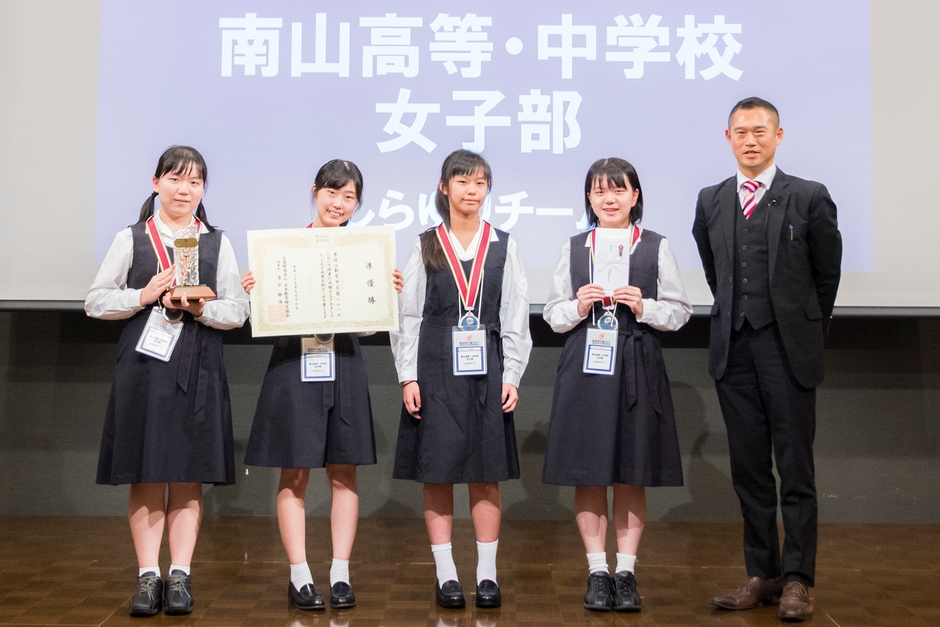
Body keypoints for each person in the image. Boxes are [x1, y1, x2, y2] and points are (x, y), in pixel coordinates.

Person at [692, 97, 842, 622]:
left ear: (779, 135)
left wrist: (802, 331)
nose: (750, 139)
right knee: (750, 470)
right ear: (727, 137)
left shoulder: (808, 196)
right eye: (741, 131)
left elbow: (827, 277)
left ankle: (800, 579)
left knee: (795, 470)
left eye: (760, 130)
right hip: (734, 350)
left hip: (788, 351)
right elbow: (717, 273)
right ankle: (764, 573)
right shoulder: (711, 199)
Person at [85, 145, 249, 617]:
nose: (185, 189)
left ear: (203, 191)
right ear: (157, 183)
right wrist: (144, 294)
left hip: (198, 368)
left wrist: (202, 308)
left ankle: (180, 575)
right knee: (146, 472)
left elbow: (237, 311)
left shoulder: (217, 242)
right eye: (176, 179)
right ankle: (147, 577)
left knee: (186, 475)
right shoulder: (131, 238)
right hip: (144, 369)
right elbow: (95, 301)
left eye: (195, 182)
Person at [242, 159, 403, 611]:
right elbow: (265, 319)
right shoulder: (283, 250)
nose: (339, 203)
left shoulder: (366, 251)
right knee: (293, 474)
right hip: (294, 365)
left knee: (344, 473)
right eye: (333, 192)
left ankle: (340, 573)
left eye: (350, 196)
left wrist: (387, 294)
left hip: (345, 364)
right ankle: (299, 576)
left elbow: (370, 328)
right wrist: (256, 290)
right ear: (315, 192)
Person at [542, 158, 692, 612]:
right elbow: (552, 315)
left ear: (635, 196)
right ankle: (597, 572)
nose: (609, 199)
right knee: (589, 472)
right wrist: (576, 306)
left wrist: (645, 307)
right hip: (586, 361)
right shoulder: (573, 247)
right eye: (599, 191)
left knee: (632, 472)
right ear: (588, 198)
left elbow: (680, 311)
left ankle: (626, 571)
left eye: (619, 190)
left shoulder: (655, 246)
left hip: (637, 361)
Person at [390, 149, 532, 610]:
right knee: (438, 471)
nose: (471, 191)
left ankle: (486, 574)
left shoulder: (503, 244)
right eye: (463, 182)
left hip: (487, 368)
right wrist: (407, 377)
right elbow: (407, 315)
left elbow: (514, 316)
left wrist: (512, 373)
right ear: (444, 187)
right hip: (434, 367)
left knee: (486, 473)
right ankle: (447, 573)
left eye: (480, 184)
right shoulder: (426, 243)